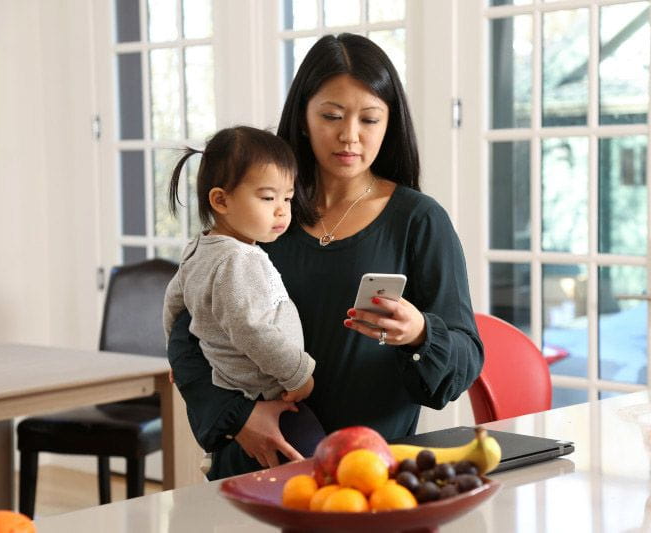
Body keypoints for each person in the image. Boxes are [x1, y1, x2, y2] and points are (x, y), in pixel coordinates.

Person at [168, 33, 484, 480]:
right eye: (331, 115)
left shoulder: (418, 220)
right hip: (257, 463)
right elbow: (187, 336)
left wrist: (419, 333)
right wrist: (238, 419)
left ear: (389, 124)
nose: (349, 135)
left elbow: (465, 354)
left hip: (370, 476)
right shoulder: (260, 211)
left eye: (369, 119)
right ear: (302, 117)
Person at [163, 126, 325, 464]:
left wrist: (173, 354)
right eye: (268, 198)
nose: (282, 210)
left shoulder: (198, 248)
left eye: (287, 197)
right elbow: (251, 328)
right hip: (266, 388)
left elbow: (173, 305)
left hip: (229, 385)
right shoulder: (239, 259)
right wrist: (299, 374)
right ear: (221, 200)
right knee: (312, 466)